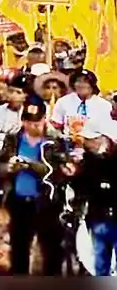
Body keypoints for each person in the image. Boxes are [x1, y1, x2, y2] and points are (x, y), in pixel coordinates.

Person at [0, 97, 70, 275]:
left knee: (51, 251)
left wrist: (30, 165)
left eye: (37, 122)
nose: (33, 126)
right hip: (19, 201)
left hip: (46, 203)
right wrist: (9, 168)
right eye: (29, 122)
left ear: (45, 119)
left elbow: (57, 172)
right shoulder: (13, 138)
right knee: (19, 250)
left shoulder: (55, 141)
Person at [71, 117, 117, 276]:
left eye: (92, 140)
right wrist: (74, 175)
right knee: (100, 265)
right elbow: (81, 187)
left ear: (104, 139)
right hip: (98, 219)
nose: (88, 143)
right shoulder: (89, 162)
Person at [51, 70, 111, 136]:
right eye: (78, 81)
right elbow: (56, 125)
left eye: (85, 82)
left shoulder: (104, 105)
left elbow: (109, 130)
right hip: (69, 141)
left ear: (92, 85)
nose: (81, 85)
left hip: (95, 141)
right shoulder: (63, 101)